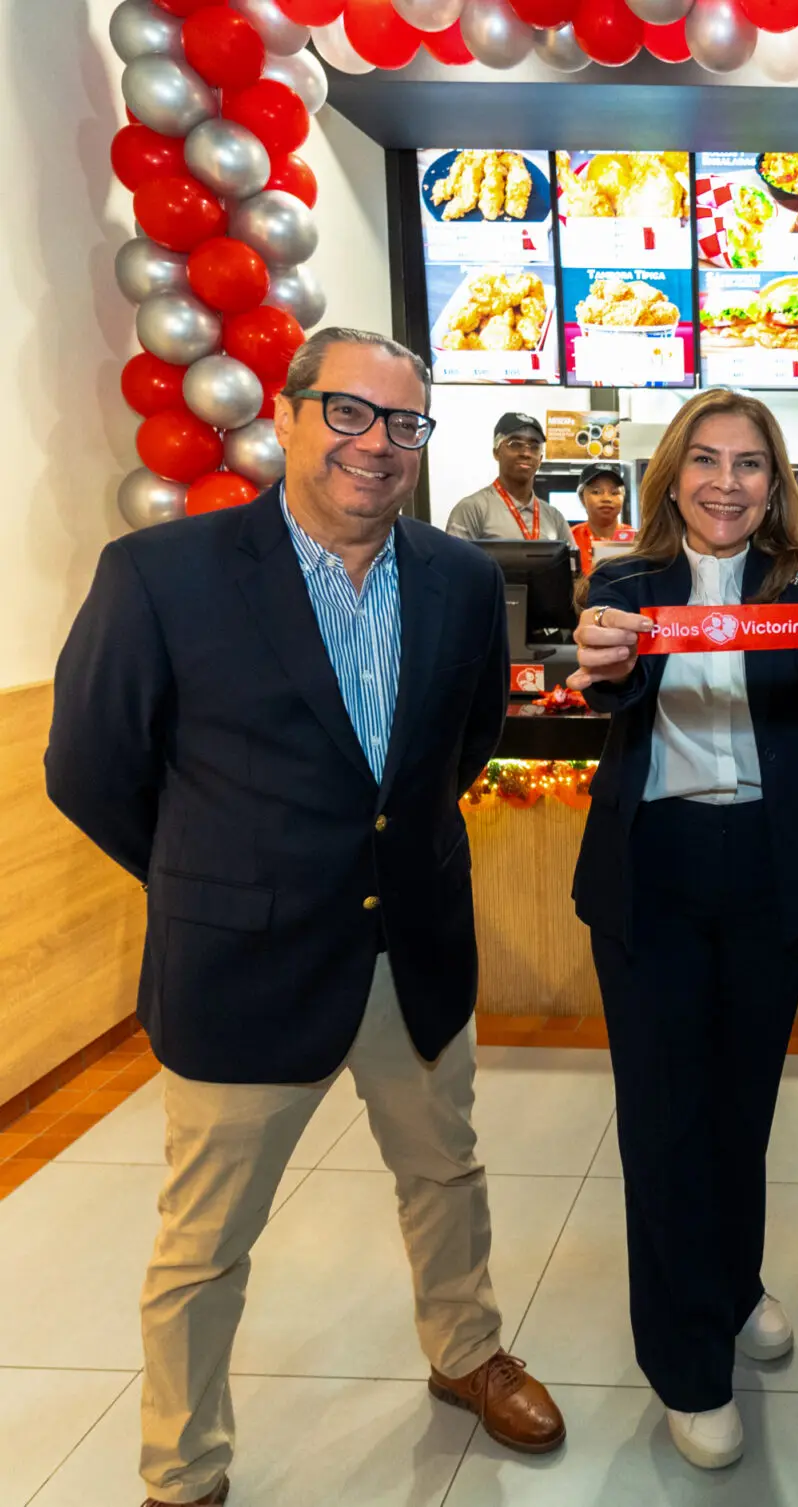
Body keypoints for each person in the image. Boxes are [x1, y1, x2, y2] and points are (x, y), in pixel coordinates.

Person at [46, 328, 567, 1507]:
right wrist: (212, 875)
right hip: (244, 965)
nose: (375, 445)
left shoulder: (462, 578)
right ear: (284, 416)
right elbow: (88, 768)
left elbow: (464, 745)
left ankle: (466, 1351)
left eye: (403, 423)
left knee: (445, 1171)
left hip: (413, 951)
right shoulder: (160, 574)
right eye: (348, 412)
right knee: (205, 1240)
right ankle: (183, 1468)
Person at [568, 390, 798, 1471]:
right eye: (704, 460)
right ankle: (688, 1365)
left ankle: (733, 1281)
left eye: (749, 464)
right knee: (665, 1120)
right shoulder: (623, 578)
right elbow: (615, 700)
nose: (725, 482)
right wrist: (606, 662)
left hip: (770, 868)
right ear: (672, 473)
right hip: (652, 870)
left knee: (740, 1105)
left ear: (776, 482)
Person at [444, 412, 569, 542]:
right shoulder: (471, 510)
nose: (526, 453)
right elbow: (455, 561)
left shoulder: (555, 518)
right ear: (496, 452)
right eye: (515, 444)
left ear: (540, 459)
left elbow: (572, 561)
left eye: (534, 447)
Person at [570, 461, 635, 574]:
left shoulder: (638, 540)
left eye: (614, 493)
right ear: (582, 498)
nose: (606, 498)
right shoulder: (570, 539)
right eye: (596, 492)